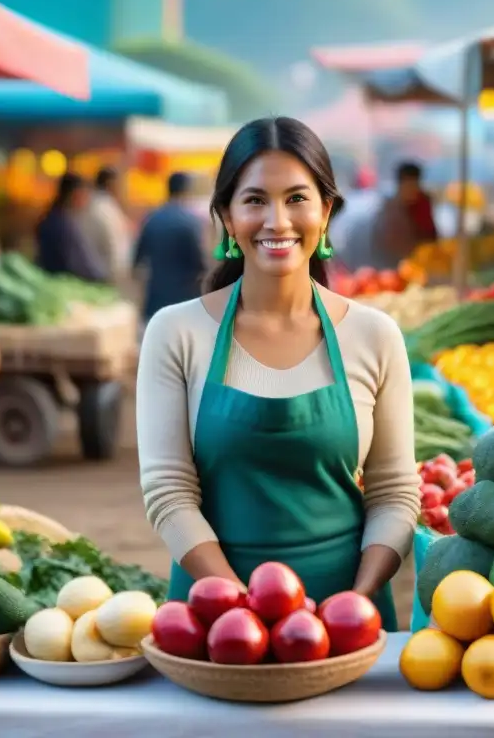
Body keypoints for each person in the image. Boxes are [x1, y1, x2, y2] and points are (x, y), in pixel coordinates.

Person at [136, 118, 420, 630]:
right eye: (254, 201)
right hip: (217, 618)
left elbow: (395, 491)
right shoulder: (175, 333)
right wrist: (240, 606)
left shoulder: (375, 336)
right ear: (225, 214)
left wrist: (356, 599)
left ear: (326, 211)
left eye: (296, 198)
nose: (277, 220)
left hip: (345, 617)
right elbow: (168, 493)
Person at [132, 172, 206, 323]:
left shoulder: (152, 218)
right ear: (186, 190)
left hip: (156, 297)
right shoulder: (191, 222)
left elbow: (137, 260)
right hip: (183, 299)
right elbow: (199, 263)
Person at [36, 173, 108, 282]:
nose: (85, 200)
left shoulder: (60, 218)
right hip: (62, 282)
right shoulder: (59, 224)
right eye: (82, 195)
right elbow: (76, 263)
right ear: (72, 195)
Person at [365, 161, 437, 269]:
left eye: (415, 185)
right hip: (391, 266)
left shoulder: (423, 204)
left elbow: (431, 235)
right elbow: (385, 243)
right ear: (400, 185)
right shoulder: (390, 210)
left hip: (421, 264)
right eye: (408, 185)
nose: (412, 190)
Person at [79, 167, 133, 286]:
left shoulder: (99, 205)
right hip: (104, 274)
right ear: (110, 183)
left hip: (100, 270)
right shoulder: (103, 208)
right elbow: (113, 246)